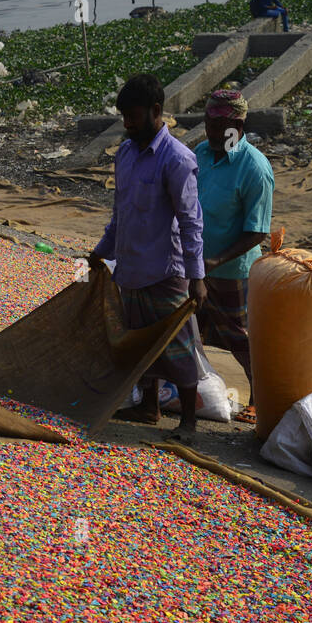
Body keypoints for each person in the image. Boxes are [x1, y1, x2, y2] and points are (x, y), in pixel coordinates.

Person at [89, 73, 207, 436]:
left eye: (134, 116)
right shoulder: (125, 154)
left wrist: (197, 278)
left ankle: (188, 421)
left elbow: (191, 223)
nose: (127, 124)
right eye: (124, 116)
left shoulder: (177, 160)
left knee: (178, 347)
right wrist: (99, 254)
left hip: (165, 271)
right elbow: (120, 215)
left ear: (157, 112)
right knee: (140, 343)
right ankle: (150, 407)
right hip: (131, 268)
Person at [195, 89, 273, 425]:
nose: (211, 133)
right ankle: (186, 393)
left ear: (238, 126)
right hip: (195, 263)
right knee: (187, 331)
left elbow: (257, 231)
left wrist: (217, 261)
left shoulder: (254, 168)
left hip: (233, 270)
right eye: (208, 124)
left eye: (220, 126)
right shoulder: (200, 153)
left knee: (240, 337)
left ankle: (260, 399)